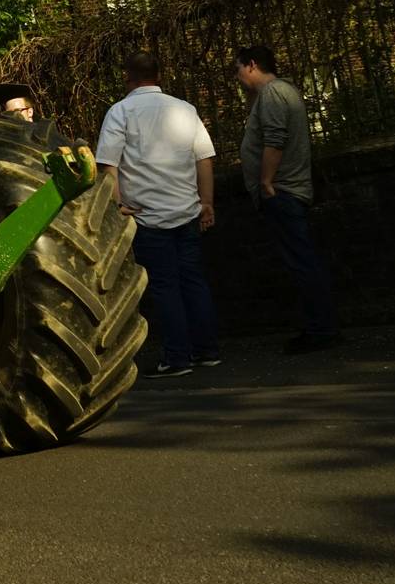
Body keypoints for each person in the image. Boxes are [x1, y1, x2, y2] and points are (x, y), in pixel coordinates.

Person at [95, 51, 219, 378]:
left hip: (147, 217)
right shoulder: (185, 109)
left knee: (165, 287)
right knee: (193, 281)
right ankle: (207, 350)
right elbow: (204, 159)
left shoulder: (120, 112)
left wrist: (117, 205)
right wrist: (207, 202)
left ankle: (177, 357)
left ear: (127, 77)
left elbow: (108, 165)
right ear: (159, 75)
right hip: (187, 211)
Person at [236, 46, 341, 354]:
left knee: (301, 262)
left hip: (282, 191)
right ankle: (319, 326)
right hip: (287, 191)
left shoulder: (273, 93)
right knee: (302, 260)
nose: (237, 77)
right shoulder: (280, 92)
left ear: (252, 65)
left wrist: (266, 181)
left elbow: (275, 140)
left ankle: (321, 329)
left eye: (238, 69)